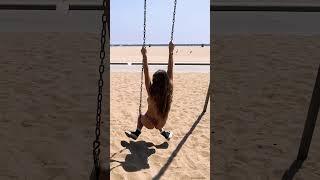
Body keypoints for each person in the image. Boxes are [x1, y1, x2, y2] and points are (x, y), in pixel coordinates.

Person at [125, 41, 175, 141]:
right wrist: (171, 52)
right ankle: (164, 132)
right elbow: (170, 69)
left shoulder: (151, 92)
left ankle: (137, 132)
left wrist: (144, 55)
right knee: (160, 111)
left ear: (155, 81)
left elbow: (146, 70)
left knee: (140, 116)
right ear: (166, 81)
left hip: (148, 122)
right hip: (161, 122)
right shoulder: (169, 91)